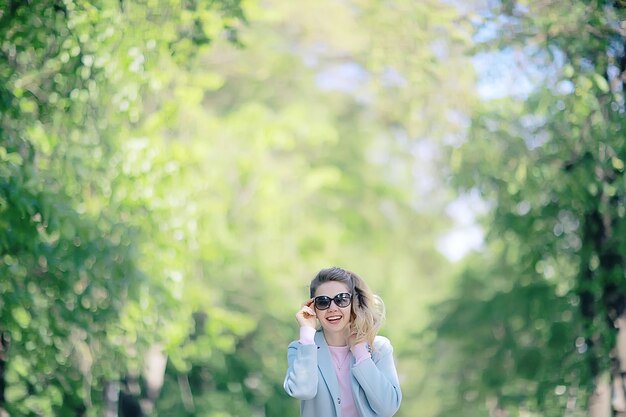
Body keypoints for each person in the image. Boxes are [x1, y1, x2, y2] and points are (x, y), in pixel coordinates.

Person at [284, 267, 402, 417]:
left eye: (341, 299)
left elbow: (388, 408)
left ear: (353, 303)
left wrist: (360, 351)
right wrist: (307, 334)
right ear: (313, 308)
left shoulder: (378, 347)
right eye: (323, 302)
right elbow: (302, 391)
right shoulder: (300, 348)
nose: (332, 308)